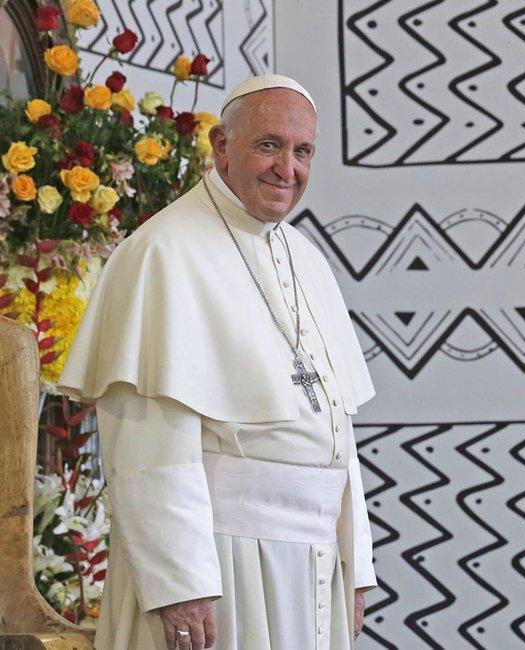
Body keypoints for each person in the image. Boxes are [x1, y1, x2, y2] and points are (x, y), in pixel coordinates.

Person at [58, 75, 376, 649]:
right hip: (223, 563)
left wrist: (355, 566)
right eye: (268, 145)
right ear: (221, 147)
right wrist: (179, 582)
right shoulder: (163, 252)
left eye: (303, 151)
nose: (288, 168)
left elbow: (337, 432)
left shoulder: (306, 259)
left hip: (314, 560)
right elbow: (147, 439)